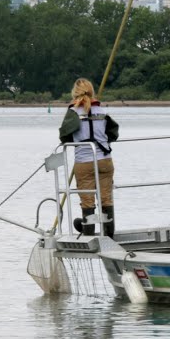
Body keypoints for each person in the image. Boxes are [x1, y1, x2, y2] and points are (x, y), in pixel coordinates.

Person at [58, 78, 120, 237]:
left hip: (84, 162)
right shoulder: (102, 111)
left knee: (87, 201)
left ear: (75, 93)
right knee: (106, 198)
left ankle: (89, 233)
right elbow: (113, 133)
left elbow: (64, 137)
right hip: (105, 160)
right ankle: (109, 234)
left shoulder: (73, 112)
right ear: (92, 92)